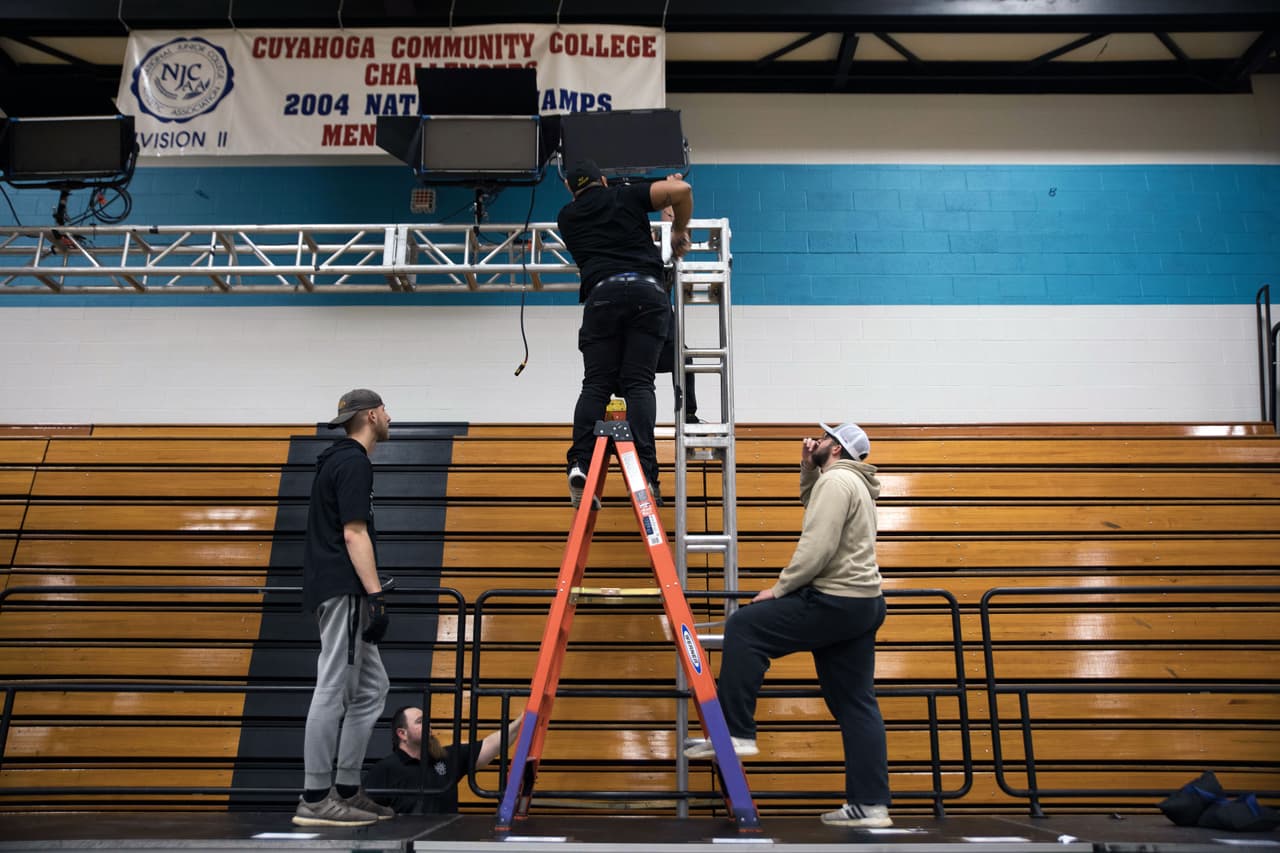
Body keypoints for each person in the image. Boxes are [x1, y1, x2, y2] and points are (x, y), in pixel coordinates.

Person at [685, 422, 893, 828]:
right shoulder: (852, 484)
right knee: (855, 703)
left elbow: (817, 546)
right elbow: (814, 507)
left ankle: (736, 732)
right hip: (863, 604)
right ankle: (870, 805)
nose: (815, 441)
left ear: (835, 449)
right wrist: (807, 466)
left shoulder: (837, 484)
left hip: (834, 599)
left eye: (824, 439)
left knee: (745, 627)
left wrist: (780, 589)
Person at [557, 159, 693, 508]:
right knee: (639, 383)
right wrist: (676, 228)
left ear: (571, 190)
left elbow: (607, 237)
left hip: (602, 295)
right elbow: (682, 191)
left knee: (596, 385)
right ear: (604, 180)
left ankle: (579, 464)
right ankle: (647, 473)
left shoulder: (567, 218)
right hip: (647, 294)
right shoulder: (624, 195)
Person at [293, 389, 396, 827]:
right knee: (333, 686)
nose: (391, 417)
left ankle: (348, 789)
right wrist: (375, 596)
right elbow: (354, 534)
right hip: (345, 590)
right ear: (372, 415)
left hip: (336, 589)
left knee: (372, 689)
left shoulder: (336, 460)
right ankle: (316, 797)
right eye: (386, 410)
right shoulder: (353, 462)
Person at [363, 705, 523, 814]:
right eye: (420, 722)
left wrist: (524, 721)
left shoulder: (446, 757)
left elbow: (491, 744)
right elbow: (365, 813)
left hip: (445, 843)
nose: (428, 725)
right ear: (402, 734)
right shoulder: (384, 770)